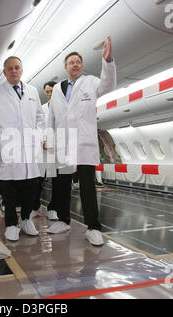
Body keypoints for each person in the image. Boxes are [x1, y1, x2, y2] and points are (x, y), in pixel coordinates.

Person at [46, 36, 116, 245]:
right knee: (61, 185)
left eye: (78, 62)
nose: (75, 65)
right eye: (71, 62)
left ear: (81, 65)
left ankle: (93, 227)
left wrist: (108, 61)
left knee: (87, 186)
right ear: (65, 67)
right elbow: (51, 118)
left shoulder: (91, 82)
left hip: (84, 143)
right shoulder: (57, 89)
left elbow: (108, 85)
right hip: (63, 144)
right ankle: (63, 220)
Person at [0, 56, 45, 241]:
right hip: (7, 149)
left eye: (16, 67)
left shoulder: (33, 91)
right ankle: (11, 224)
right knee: (9, 190)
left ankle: (26, 219)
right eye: (9, 68)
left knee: (31, 188)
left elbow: (40, 118)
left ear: (22, 69)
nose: (13, 71)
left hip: (30, 149)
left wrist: (38, 136)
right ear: (4, 72)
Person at [31, 81, 59, 221]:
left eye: (51, 91)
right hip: (42, 149)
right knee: (38, 179)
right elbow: (38, 126)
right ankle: (34, 207)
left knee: (56, 180)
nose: (49, 94)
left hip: (57, 149)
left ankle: (53, 209)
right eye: (47, 92)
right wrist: (41, 139)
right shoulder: (41, 108)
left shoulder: (63, 108)